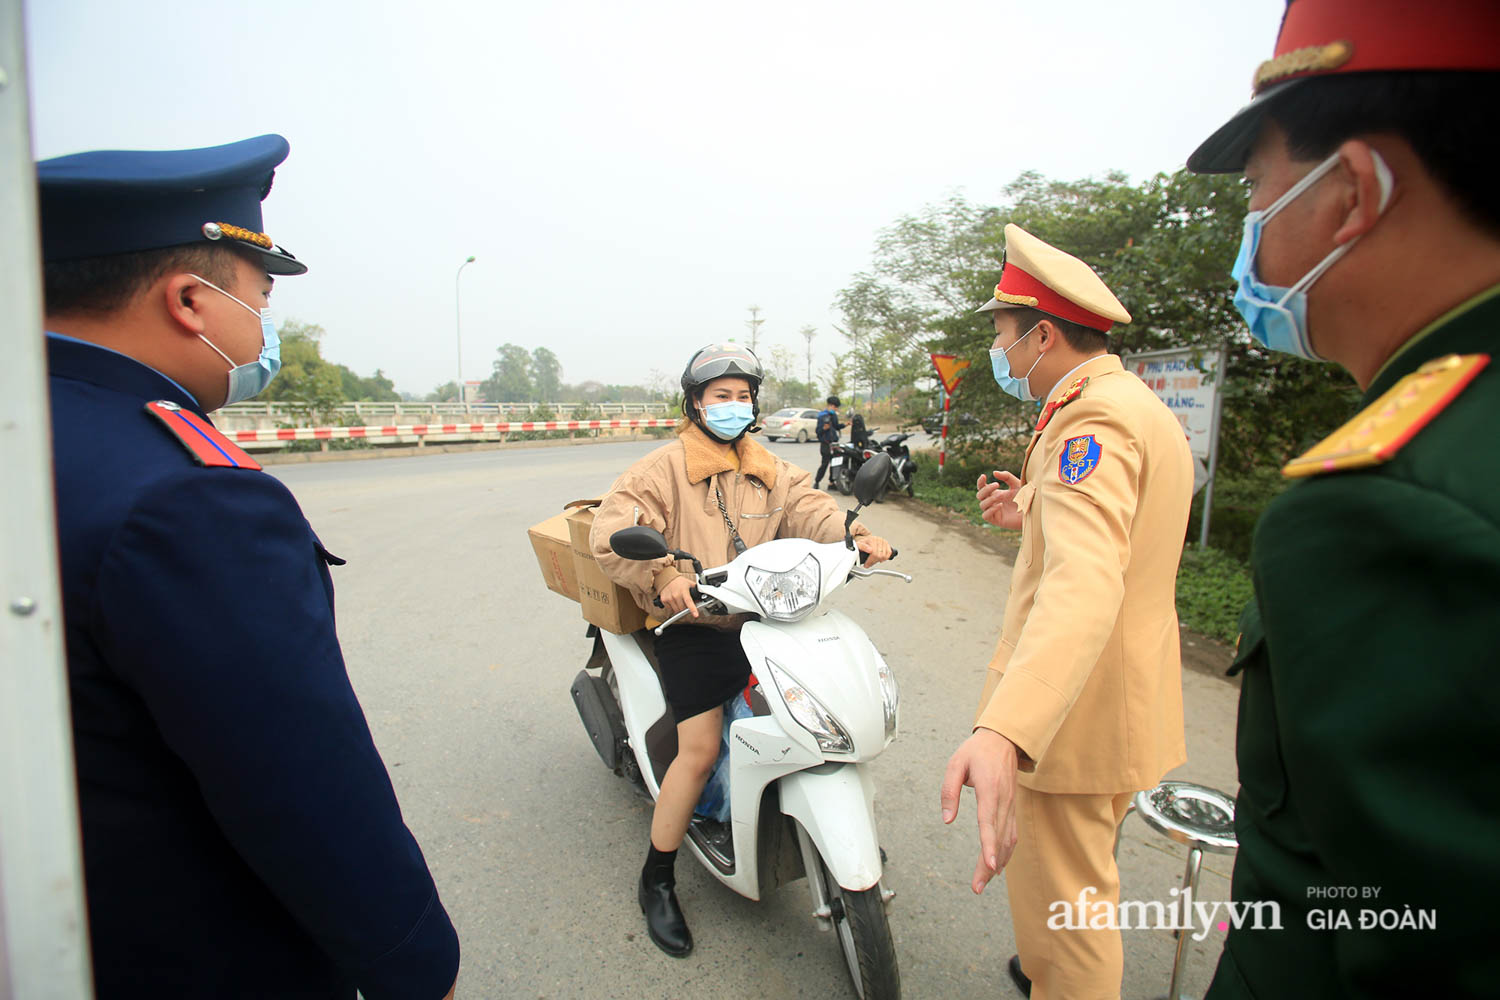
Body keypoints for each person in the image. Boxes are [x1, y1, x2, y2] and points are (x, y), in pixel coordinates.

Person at [38, 136, 459, 998]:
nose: (263, 328)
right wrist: (416, 961)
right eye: (260, 299)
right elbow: (301, 785)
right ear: (191, 300)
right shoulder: (188, 498)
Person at [1185, 2, 1500, 995]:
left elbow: (1412, 942)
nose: (1252, 231)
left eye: (1256, 192)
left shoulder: (1384, 504)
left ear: (1351, 191)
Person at [938, 224, 1193, 999]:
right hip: (1115, 701)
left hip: (1069, 724)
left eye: (1003, 337)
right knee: (1081, 895)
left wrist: (1007, 729)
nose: (1000, 354)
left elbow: (1086, 582)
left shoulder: (1093, 420)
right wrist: (1032, 510)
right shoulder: (1125, 402)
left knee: (1067, 929)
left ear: (1042, 335)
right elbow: (1125, 534)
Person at [590, 345, 892, 958]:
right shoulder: (660, 470)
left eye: (742, 395)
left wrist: (854, 535)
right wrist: (665, 574)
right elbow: (611, 533)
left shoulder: (772, 469)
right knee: (698, 752)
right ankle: (657, 878)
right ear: (696, 403)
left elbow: (812, 512)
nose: (733, 406)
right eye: (720, 396)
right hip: (693, 624)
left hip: (768, 620)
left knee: (822, 712)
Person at [812, 393, 844, 489]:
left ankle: (831, 483)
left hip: (833, 444)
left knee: (834, 463)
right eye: (834, 407)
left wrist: (845, 425)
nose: (835, 409)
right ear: (830, 405)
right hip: (825, 444)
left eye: (836, 407)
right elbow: (818, 432)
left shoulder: (833, 416)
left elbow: (836, 426)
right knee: (825, 464)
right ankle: (816, 482)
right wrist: (824, 428)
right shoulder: (822, 416)